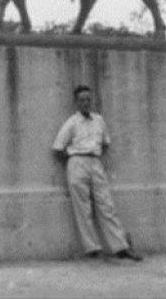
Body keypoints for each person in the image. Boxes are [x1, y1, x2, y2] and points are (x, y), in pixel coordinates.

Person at [52, 85, 143, 261]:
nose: (85, 102)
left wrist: (94, 156)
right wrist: (74, 159)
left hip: (95, 162)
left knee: (106, 205)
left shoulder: (99, 120)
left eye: (88, 99)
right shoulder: (71, 122)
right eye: (82, 100)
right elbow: (57, 148)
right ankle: (93, 248)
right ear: (76, 102)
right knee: (83, 208)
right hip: (77, 162)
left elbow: (106, 143)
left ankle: (120, 247)